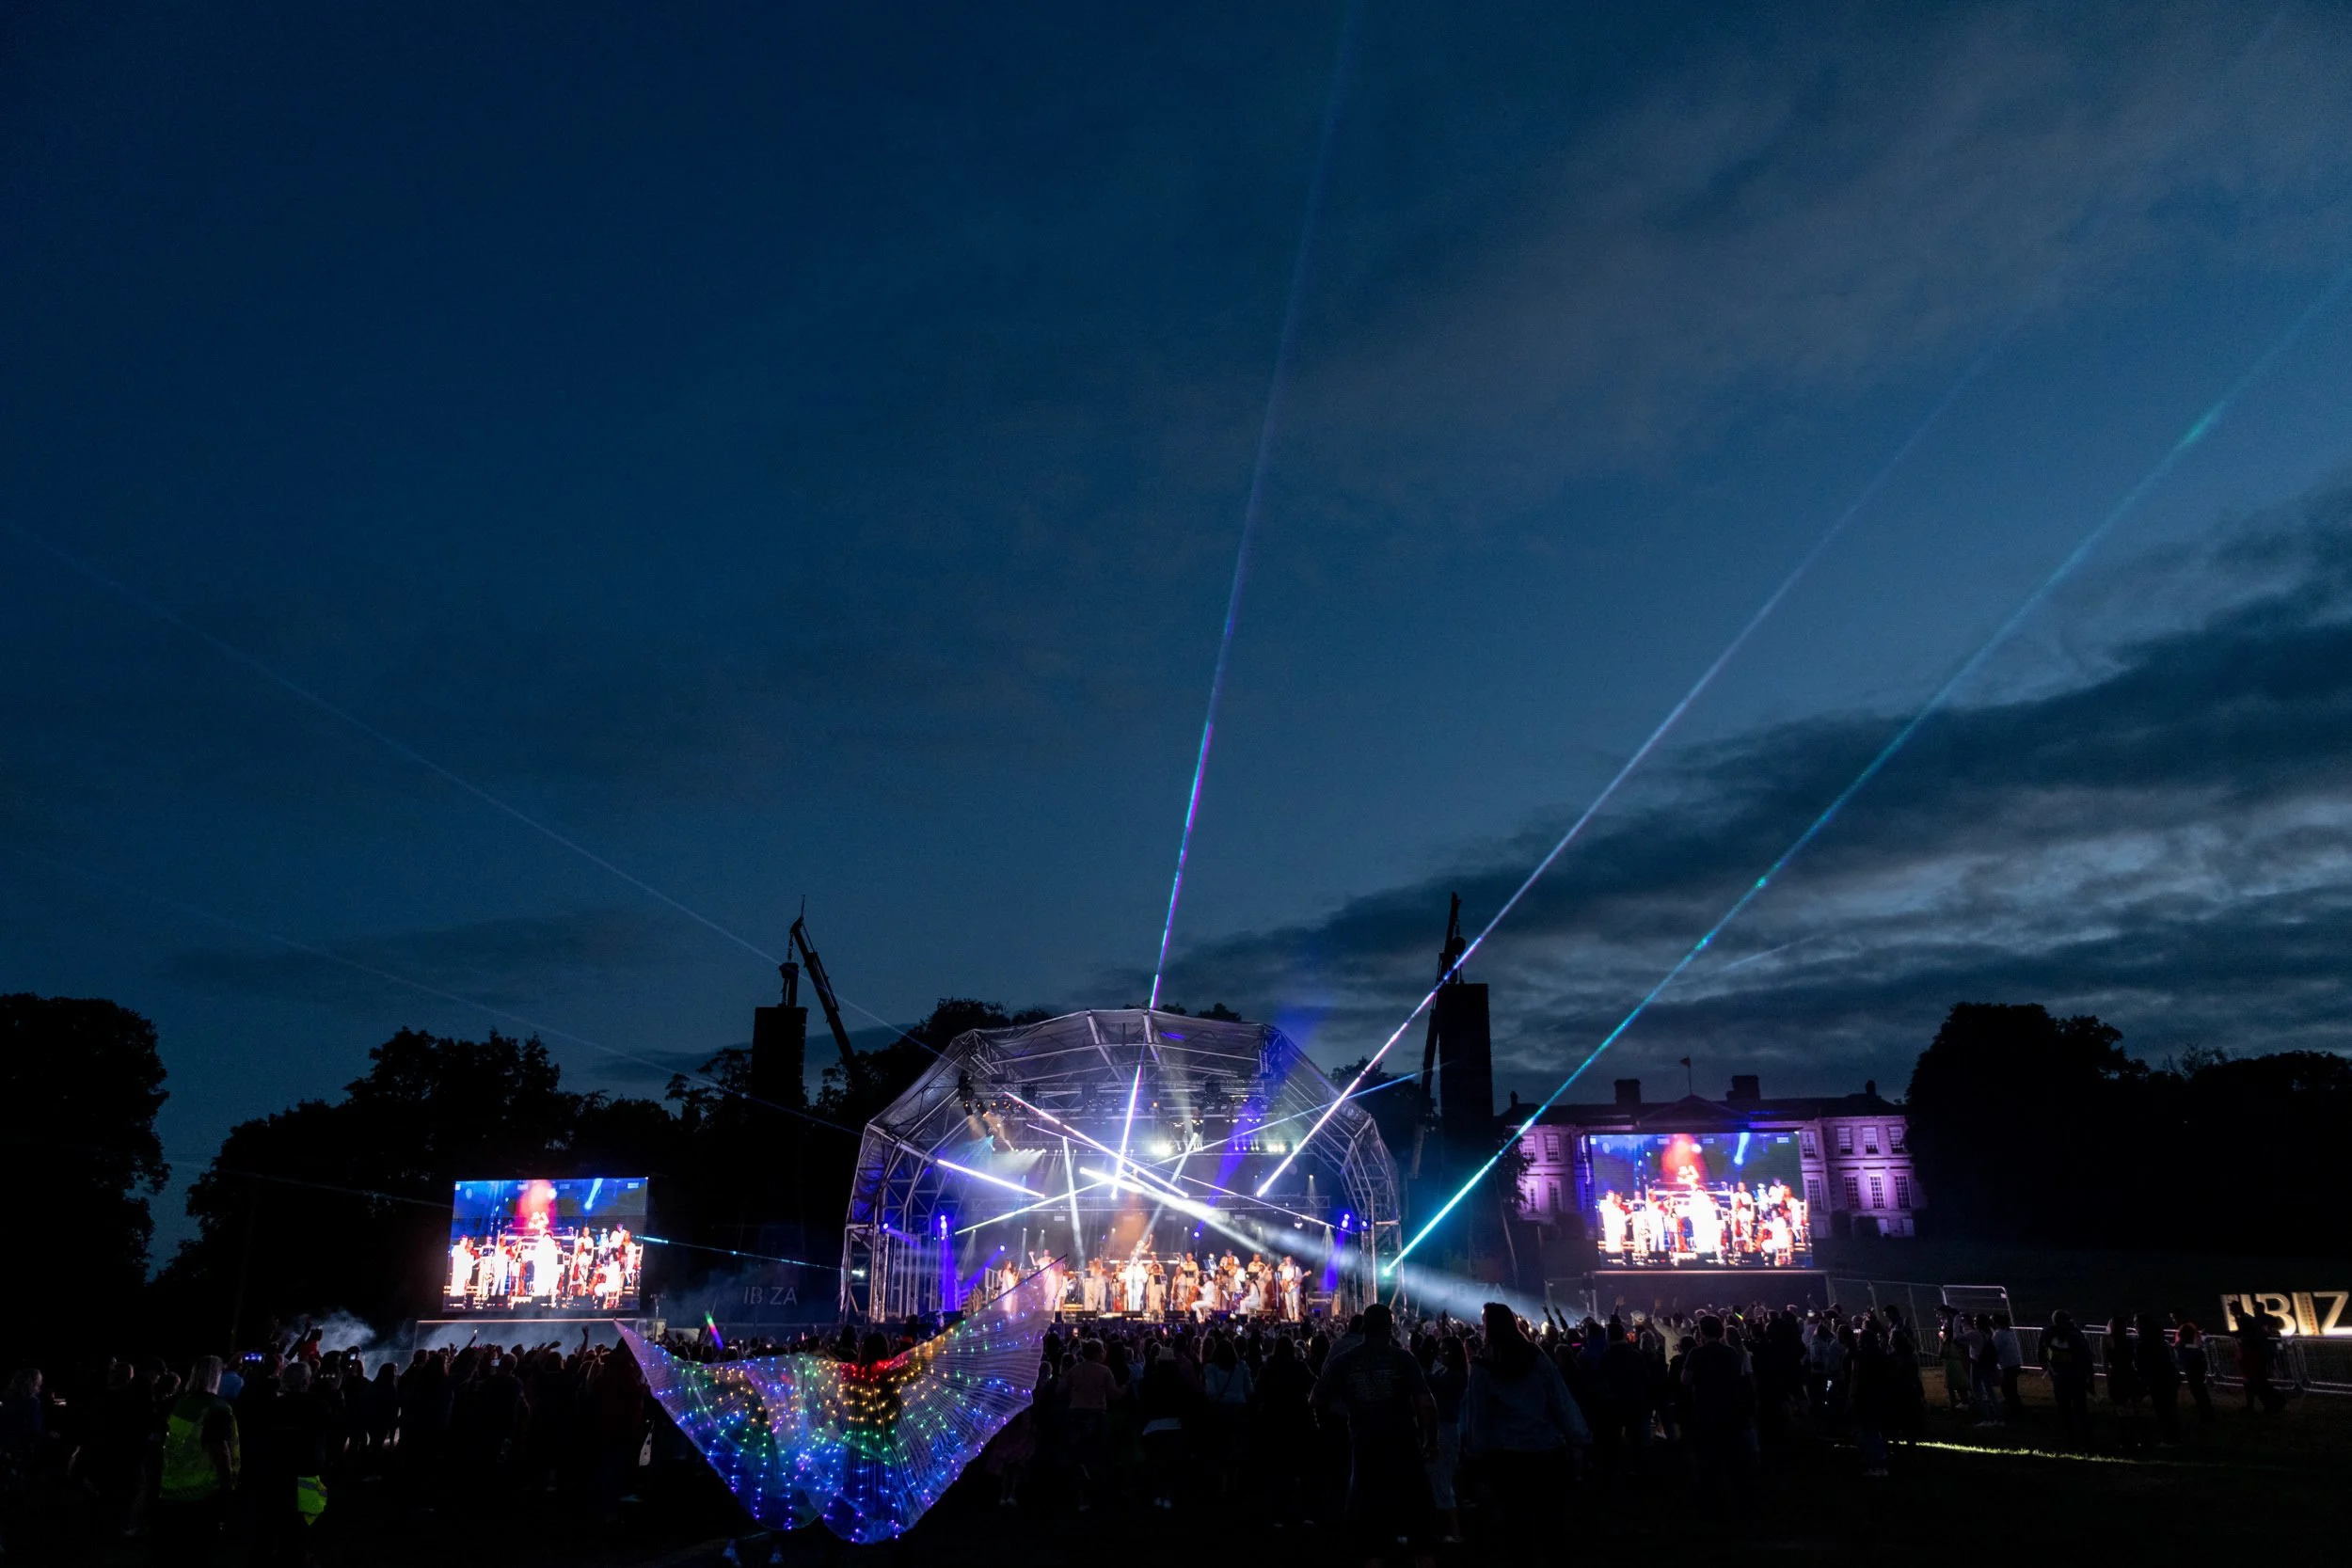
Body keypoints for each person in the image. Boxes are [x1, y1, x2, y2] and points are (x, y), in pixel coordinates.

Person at [1312, 1305, 1438, 1568]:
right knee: (1417, 1512)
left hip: (1365, 1442)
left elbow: (1317, 1399)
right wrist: (1431, 1439)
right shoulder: (1403, 1359)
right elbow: (1425, 1402)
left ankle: (1376, 1557)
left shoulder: (1344, 1361)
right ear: (1389, 1327)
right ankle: (1421, 1556)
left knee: (1370, 1514)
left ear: (1363, 1327)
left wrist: (1333, 1420)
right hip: (1403, 1442)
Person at [1461, 1304, 1588, 1561]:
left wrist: (1475, 1451)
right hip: (1546, 1450)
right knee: (1551, 1523)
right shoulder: (1537, 1357)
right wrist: (1579, 1436)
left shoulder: (1484, 1367)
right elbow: (1559, 1399)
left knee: (1515, 1525)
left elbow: (1479, 1415)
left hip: (1506, 1455)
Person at [153, 1354, 241, 1565]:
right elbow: (219, 1448)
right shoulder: (216, 1409)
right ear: (216, 1377)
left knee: (172, 1548)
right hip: (202, 1490)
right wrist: (228, 1481)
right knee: (197, 1549)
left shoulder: (181, 1402)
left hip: (172, 1484)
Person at [1680, 1316, 1755, 1510]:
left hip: (1705, 1407)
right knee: (1732, 1453)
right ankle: (1740, 1496)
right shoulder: (1730, 1352)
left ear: (1702, 1333)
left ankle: (1710, 1498)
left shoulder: (1696, 1353)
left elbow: (1685, 1380)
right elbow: (1738, 1375)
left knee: (1707, 1455)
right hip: (1729, 1406)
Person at [2042, 1310, 2095, 1448]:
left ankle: (2070, 1438)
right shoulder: (2075, 1333)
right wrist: (2089, 1374)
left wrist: (2047, 1369)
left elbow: (2041, 1353)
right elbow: (2086, 1354)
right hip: (2077, 1376)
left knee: (2064, 1409)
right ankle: (2086, 1439)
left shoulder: (2047, 1333)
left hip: (2059, 1376)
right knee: (2080, 1408)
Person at [2136, 1313, 2182, 1445]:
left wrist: (2144, 1382)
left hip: (2158, 1379)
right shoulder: (2159, 1340)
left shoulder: (2143, 1344)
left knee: (2163, 1410)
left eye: (2136, 1323)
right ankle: (2175, 1437)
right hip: (2168, 1377)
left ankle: (2170, 1439)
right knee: (2170, 1409)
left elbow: (2143, 1365)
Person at [2176, 1321, 2216, 1425]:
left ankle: (2206, 1414)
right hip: (2196, 1373)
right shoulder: (2194, 1349)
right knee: (2200, 1392)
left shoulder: (2185, 1348)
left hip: (2192, 1373)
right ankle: (2207, 1412)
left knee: (2198, 1393)